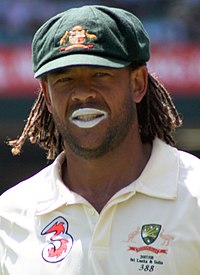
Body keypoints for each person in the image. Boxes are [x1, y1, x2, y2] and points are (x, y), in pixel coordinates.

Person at [0, 5, 200, 275]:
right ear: (47, 96)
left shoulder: (195, 195)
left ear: (138, 83)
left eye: (99, 74)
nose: (82, 93)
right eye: (65, 79)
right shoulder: (11, 214)